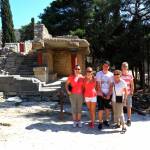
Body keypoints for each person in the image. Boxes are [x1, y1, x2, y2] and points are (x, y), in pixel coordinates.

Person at [96, 60, 113, 130]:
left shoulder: (111, 74)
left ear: (108, 67)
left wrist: (109, 94)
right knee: (100, 109)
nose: (105, 67)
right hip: (100, 94)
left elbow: (111, 85)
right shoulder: (99, 74)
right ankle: (100, 122)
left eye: (107, 66)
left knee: (108, 109)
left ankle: (106, 120)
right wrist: (101, 93)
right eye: (104, 66)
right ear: (102, 66)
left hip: (108, 94)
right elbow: (98, 84)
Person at [121, 62, 134, 126]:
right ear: (121, 67)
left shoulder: (130, 75)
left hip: (128, 93)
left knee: (129, 107)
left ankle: (129, 120)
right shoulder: (119, 74)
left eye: (126, 66)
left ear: (127, 67)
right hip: (121, 94)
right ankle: (121, 120)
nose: (124, 67)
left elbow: (132, 84)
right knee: (121, 107)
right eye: (123, 66)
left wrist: (132, 91)